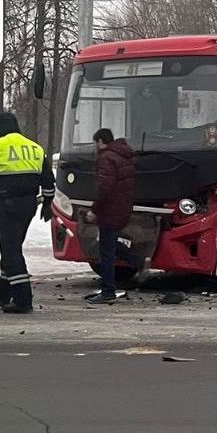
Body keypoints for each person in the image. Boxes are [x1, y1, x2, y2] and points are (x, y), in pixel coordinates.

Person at [0, 112, 55, 314]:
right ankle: (3, 293)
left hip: (8, 205)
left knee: (10, 250)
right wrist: (48, 203)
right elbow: (48, 180)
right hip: (29, 205)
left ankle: (23, 298)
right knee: (12, 247)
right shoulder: (34, 147)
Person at [83, 128, 147, 303]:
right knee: (109, 245)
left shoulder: (106, 158)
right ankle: (137, 259)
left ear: (101, 141)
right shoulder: (124, 155)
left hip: (109, 210)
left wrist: (94, 210)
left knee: (106, 253)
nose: (95, 146)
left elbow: (105, 188)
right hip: (122, 207)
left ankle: (108, 291)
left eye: (95, 143)